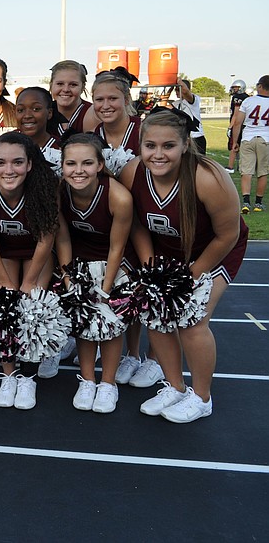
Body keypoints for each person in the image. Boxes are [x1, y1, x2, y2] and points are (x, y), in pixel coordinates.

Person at [119, 108, 248, 423]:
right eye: (150, 146)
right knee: (156, 313)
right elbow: (135, 224)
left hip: (212, 250)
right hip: (163, 252)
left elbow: (227, 234)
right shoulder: (132, 172)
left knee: (192, 319)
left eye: (168, 146)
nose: (158, 154)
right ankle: (174, 387)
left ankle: (202, 397)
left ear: (185, 145)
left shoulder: (208, 178)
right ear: (140, 145)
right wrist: (150, 267)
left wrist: (191, 276)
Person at [0, 132, 60, 409]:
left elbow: (47, 237)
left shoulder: (45, 185)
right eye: (1, 163)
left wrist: (29, 282)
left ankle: (28, 378)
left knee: (34, 308)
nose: (9, 170)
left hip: (37, 253)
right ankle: (9, 375)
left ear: (30, 164)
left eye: (17, 162)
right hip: (4, 252)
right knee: (4, 308)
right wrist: (7, 284)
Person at [57, 134, 133, 413]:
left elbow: (118, 246)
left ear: (100, 164)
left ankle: (108, 383)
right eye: (71, 163)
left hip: (114, 264)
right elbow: (63, 239)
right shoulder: (59, 192)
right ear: (62, 166)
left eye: (87, 163)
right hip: (78, 263)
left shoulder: (118, 196)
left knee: (109, 322)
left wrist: (105, 289)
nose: (78, 170)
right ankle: (87, 380)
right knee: (83, 323)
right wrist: (68, 278)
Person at [231, 75, 269, 214]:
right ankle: (258, 203)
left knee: (246, 171)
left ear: (260, 86)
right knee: (262, 172)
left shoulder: (249, 101)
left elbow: (237, 122)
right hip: (265, 138)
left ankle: (246, 202)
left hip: (248, 137)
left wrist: (235, 141)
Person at [91, 68, 141, 157]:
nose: (105, 106)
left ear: (126, 99)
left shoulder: (143, 130)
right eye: (99, 99)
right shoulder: (94, 136)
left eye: (113, 98)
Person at [49, 60, 98, 136]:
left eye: (73, 85)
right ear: (51, 85)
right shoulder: (43, 112)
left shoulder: (93, 113)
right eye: (60, 84)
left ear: (82, 87)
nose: (65, 89)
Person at [173, 79, 207, 155]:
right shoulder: (176, 104)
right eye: (175, 90)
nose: (176, 92)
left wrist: (176, 79)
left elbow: (185, 91)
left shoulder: (194, 100)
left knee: (197, 165)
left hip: (196, 138)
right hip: (184, 138)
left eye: (178, 89)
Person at [227, 79, 248, 173]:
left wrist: (230, 127)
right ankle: (241, 166)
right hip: (245, 124)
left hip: (238, 124)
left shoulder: (237, 98)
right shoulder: (247, 97)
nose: (234, 89)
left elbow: (236, 114)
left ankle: (230, 167)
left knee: (234, 145)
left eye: (236, 87)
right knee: (242, 146)